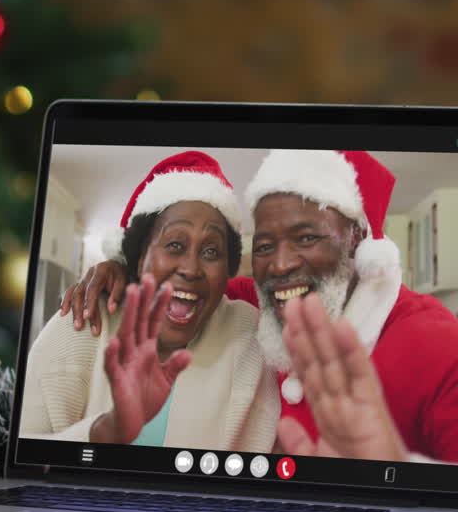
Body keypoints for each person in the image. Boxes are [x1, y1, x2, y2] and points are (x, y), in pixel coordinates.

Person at [59, 150, 458, 462]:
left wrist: (392, 473)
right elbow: (194, 288)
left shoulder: (437, 342)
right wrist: (123, 267)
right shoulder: (261, 301)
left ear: (356, 238)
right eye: (265, 246)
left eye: (306, 238)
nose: (280, 265)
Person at [20, 152, 279, 452]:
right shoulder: (83, 321)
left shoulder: (249, 336)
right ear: (139, 256)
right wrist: (107, 431)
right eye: (174, 245)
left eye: (211, 252)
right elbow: (21, 457)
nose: (191, 269)